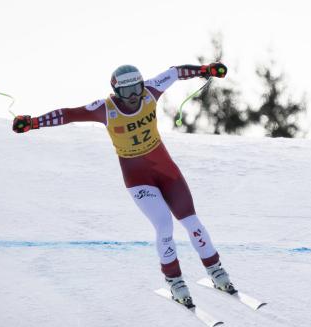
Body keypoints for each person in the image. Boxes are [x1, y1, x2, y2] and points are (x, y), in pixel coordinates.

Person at [12, 63, 233, 308]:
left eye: (136, 89)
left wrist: (206, 69)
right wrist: (33, 123)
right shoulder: (105, 109)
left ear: (142, 84)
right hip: (137, 178)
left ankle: (216, 270)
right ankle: (175, 281)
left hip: (166, 171)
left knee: (192, 222)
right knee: (164, 226)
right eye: (126, 93)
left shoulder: (150, 91)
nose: (133, 97)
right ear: (116, 93)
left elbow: (175, 72)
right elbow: (69, 114)